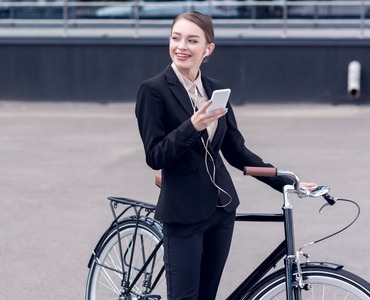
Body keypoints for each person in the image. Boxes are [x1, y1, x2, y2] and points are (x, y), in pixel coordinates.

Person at [135, 10, 317, 300]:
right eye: (175, 38)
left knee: (207, 295)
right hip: (182, 214)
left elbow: (235, 151)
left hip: (221, 210)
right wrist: (192, 126)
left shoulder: (216, 89)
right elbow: (155, 155)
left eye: (192, 40)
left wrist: (286, 180)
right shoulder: (153, 90)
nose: (181, 46)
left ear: (208, 49)